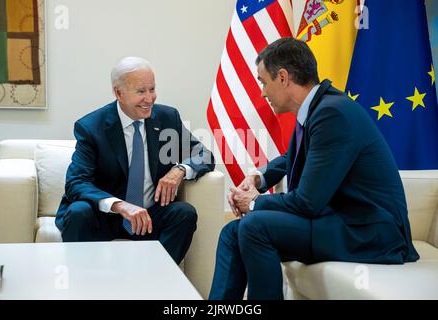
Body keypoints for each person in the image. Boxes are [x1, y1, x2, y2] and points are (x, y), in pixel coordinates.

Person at [209, 37, 419, 300]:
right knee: (232, 232)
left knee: (255, 225)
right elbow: (294, 156)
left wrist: (253, 203)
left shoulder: (333, 114)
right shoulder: (320, 107)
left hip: (369, 233)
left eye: (263, 81)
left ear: (283, 77)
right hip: (342, 221)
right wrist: (258, 178)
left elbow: (307, 202)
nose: (262, 92)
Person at [55, 57, 215, 264]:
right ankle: (80, 287)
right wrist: (120, 206)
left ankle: (157, 283)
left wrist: (180, 170)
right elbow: (76, 183)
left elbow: (204, 154)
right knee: (78, 212)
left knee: (184, 213)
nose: (150, 98)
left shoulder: (167, 118)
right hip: (107, 216)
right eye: (141, 92)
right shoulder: (91, 127)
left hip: (150, 216)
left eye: (152, 89)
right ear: (118, 93)